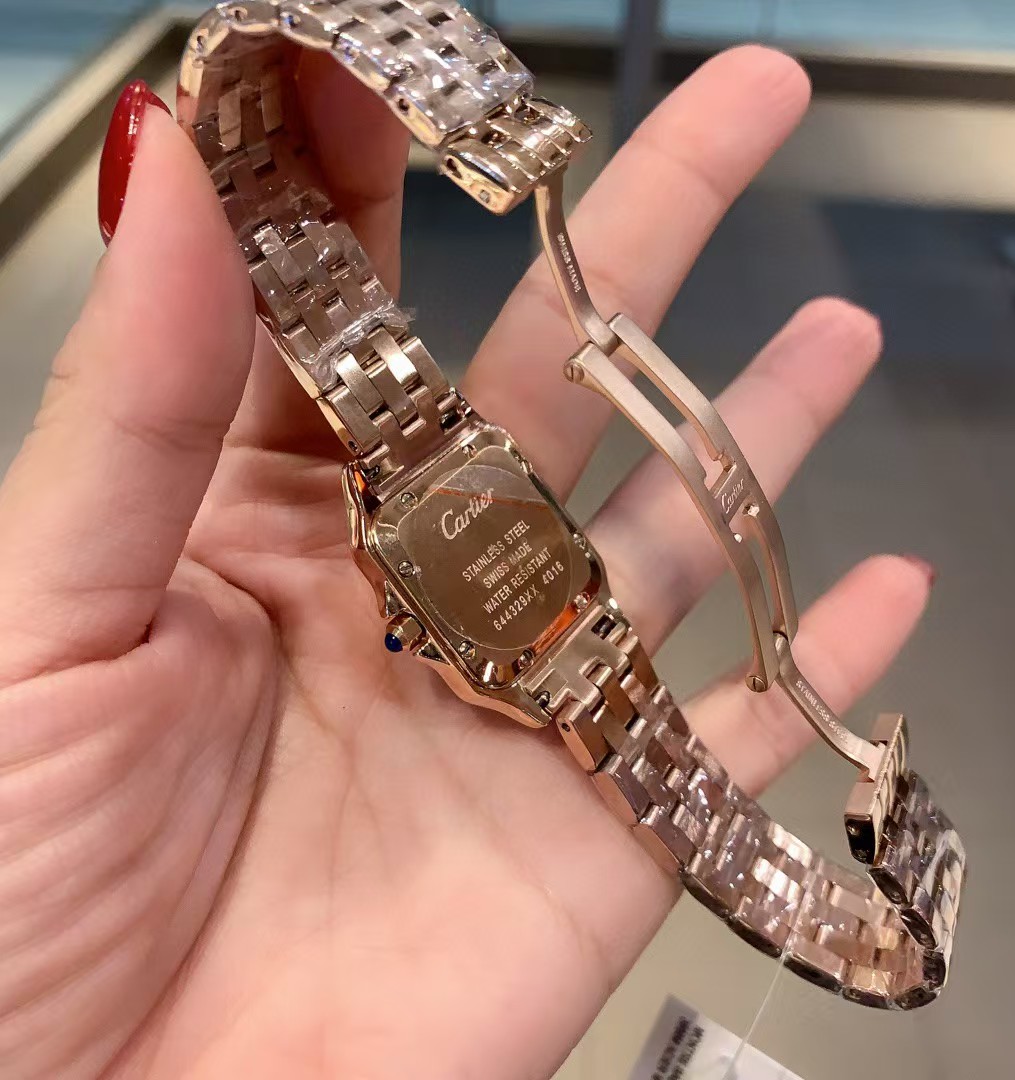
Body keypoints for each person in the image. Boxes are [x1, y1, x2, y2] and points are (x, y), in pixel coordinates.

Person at [0, 45, 933, 1079]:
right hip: (506, 621)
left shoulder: (474, 487)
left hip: (541, 602)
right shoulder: (409, 530)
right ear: (410, 622)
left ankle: (886, 940)